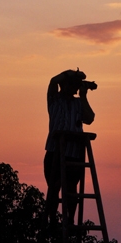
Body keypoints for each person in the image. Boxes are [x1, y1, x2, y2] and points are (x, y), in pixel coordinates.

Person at [43, 69, 95, 228]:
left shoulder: (78, 103)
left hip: (74, 152)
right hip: (55, 151)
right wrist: (70, 74)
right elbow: (53, 80)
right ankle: (52, 219)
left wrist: (84, 96)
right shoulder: (54, 99)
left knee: (72, 188)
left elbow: (89, 118)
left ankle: (69, 220)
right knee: (54, 186)